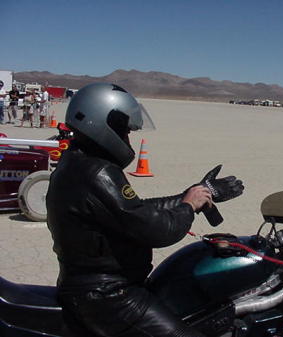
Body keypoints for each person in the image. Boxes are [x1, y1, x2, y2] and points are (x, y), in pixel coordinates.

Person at [46, 83, 244, 337]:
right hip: (110, 298)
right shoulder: (98, 173)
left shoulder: (79, 162)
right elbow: (155, 230)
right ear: (102, 124)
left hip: (95, 288)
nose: (128, 139)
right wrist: (188, 206)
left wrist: (190, 195)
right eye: (125, 132)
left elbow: (134, 211)